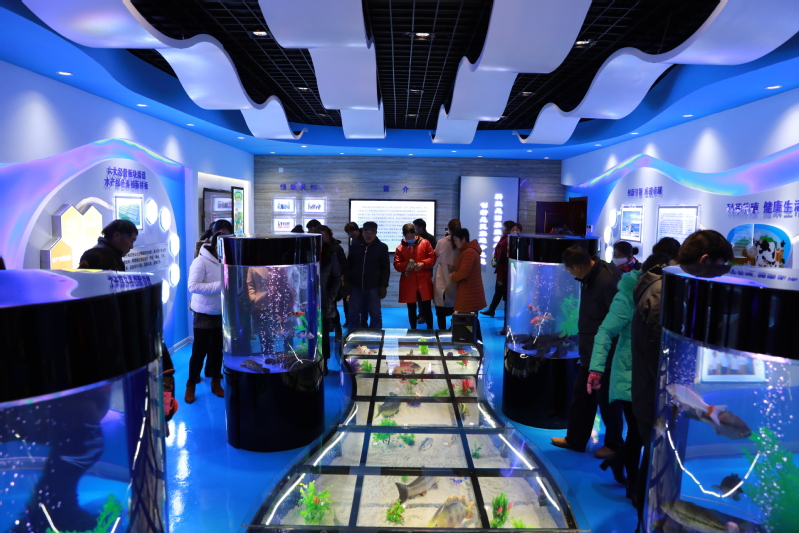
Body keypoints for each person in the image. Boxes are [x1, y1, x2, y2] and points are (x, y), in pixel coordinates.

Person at [630, 230, 732, 527]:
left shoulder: (665, 284)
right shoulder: (664, 294)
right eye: (721, 267)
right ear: (705, 260)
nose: (722, 275)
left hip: (660, 400)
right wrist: (677, 401)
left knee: (655, 468)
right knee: (658, 474)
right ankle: (647, 524)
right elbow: (659, 360)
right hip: (659, 403)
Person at [587, 253, 670, 503]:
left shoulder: (665, 293)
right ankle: (634, 486)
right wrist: (596, 370)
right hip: (628, 376)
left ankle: (621, 464)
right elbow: (604, 332)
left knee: (639, 434)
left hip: (647, 376)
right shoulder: (627, 295)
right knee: (637, 434)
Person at [551, 245, 624, 461]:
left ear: (576, 267)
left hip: (605, 354)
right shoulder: (591, 277)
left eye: (569, 269)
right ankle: (575, 439)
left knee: (608, 400)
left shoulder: (608, 280)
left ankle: (614, 445)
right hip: (590, 351)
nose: (569, 273)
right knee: (583, 397)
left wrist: (608, 353)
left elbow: (620, 319)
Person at [186, 220, 232, 403]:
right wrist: (222, 285)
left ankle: (215, 382)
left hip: (221, 312)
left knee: (217, 351)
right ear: (217, 237)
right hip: (203, 313)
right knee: (199, 352)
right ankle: (191, 385)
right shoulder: (200, 261)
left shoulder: (226, 258)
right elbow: (193, 286)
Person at [346, 221, 390, 330]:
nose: (369, 235)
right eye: (366, 232)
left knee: (375, 314)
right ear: (362, 232)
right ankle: (352, 336)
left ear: (376, 233)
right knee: (353, 314)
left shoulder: (382, 247)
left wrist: (383, 286)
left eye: (372, 232)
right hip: (356, 286)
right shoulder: (355, 246)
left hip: (374, 287)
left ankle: (376, 337)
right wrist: (346, 283)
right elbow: (348, 265)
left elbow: (385, 269)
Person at [394, 223, 436, 329]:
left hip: (423, 280)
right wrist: (406, 265)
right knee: (411, 307)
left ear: (415, 233)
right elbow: (397, 264)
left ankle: (430, 329)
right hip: (409, 280)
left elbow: (432, 258)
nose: (409, 237)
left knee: (426, 307)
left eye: (411, 235)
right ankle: (413, 330)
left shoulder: (425, 243)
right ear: (404, 235)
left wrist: (423, 263)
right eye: (407, 235)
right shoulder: (400, 248)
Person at [450, 228, 487, 339]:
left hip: (469, 294)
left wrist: (453, 276)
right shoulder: (469, 251)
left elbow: (464, 272)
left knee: (470, 321)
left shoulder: (469, 252)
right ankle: (477, 344)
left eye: (456, 240)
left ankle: (476, 344)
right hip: (469, 292)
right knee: (472, 321)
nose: (455, 242)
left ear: (463, 239)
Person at [314, 225, 346, 341]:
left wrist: (332, 294)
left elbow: (341, 268)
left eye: (324, 236)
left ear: (328, 236)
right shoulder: (310, 250)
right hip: (315, 292)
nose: (322, 238)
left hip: (329, 289)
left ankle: (338, 330)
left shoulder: (335, 249)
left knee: (332, 311)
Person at [481, 221, 515, 331]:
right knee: (499, 292)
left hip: (504, 272)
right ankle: (492, 310)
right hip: (504, 272)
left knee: (504, 296)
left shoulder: (506, 241)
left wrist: (500, 277)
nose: (502, 228)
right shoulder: (505, 240)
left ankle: (504, 322)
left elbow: (501, 259)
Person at [433, 219, 461, 329]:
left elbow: (435, 254)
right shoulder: (461, 243)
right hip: (457, 278)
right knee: (456, 307)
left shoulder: (441, 242)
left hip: (442, 278)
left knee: (440, 308)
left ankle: (442, 332)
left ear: (448, 229)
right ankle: (454, 329)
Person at [318, 240, 341, 372]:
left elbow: (337, 277)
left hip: (324, 300)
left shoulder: (330, 255)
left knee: (324, 333)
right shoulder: (304, 254)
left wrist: (331, 297)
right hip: (306, 301)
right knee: (307, 332)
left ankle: (324, 363)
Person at [412, 218, 437, 322]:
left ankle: (425, 315)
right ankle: (421, 313)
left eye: (415, 228)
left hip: (426, 269)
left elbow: (433, 256)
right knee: (418, 294)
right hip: (416, 270)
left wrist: (423, 263)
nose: (414, 230)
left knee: (425, 294)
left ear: (421, 227)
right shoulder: (414, 238)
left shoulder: (430, 239)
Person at [342, 222, 363, 327]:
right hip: (351, 275)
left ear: (357, 230)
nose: (350, 234)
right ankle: (351, 320)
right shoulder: (354, 241)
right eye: (348, 232)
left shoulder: (361, 241)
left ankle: (360, 322)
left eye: (351, 231)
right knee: (348, 299)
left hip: (359, 275)